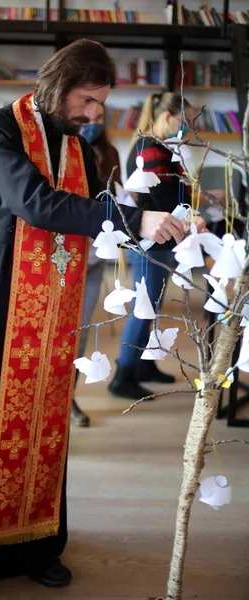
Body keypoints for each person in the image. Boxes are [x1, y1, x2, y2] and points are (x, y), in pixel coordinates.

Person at [0, 40, 189, 599]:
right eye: (88, 99)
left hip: (54, 299)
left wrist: (154, 214)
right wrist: (134, 219)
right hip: (1, 291)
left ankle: (38, 544)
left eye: (99, 103)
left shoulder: (75, 142)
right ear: (59, 85)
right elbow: (35, 203)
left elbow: (92, 205)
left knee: (47, 417)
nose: (94, 113)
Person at [108, 92, 221, 401]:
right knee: (143, 308)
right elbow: (164, 200)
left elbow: (173, 191)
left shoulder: (156, 147)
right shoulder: (151, 149)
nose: (185, 129)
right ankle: (123, 374)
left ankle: (143, 366)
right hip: (150, 240)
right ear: (168, 117)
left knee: (152, 304)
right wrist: (194, 211)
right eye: (184, 122)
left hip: (158, 238)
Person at [71, 103, 122, 427]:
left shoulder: (110, 153)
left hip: (95, 256)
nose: (92, 123)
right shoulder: (65, 151)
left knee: (79, 334)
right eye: (87, 116)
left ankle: (68, 398)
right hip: (64, 257)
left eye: (100, 118)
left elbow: (114, 199)